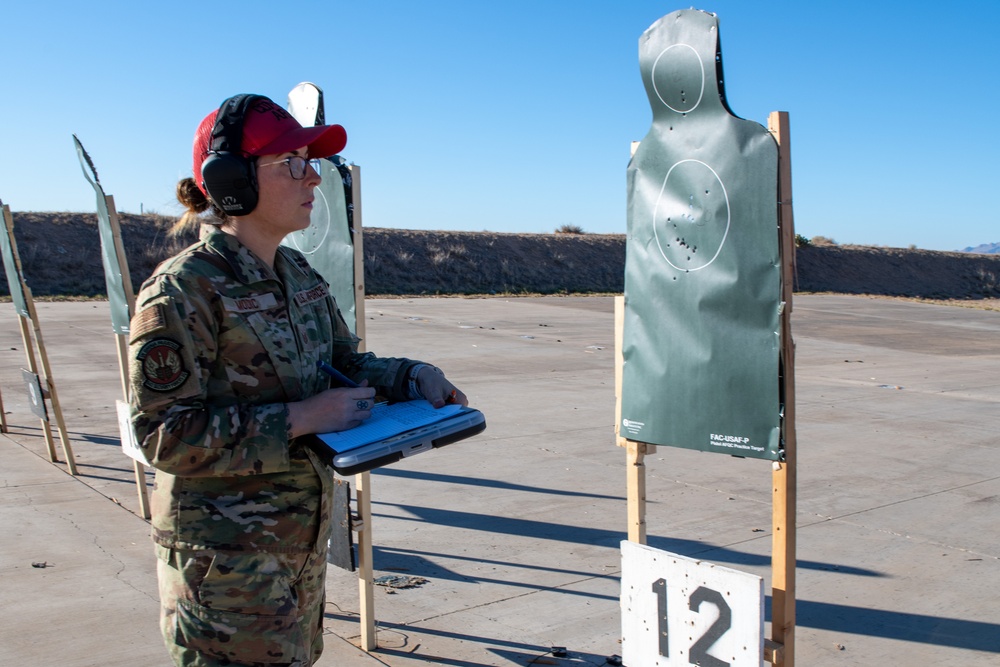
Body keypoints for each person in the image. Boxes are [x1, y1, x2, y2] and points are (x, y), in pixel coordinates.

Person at [128, 93, 467, 667]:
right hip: (227, 567)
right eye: (292, 163)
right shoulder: (183, 290)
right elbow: (164, 434)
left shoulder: (296, 272)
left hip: (297, 547)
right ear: (232, 181)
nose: (312, 178)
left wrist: (414, 377)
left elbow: (343, 364)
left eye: (311, 162)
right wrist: (301, 419)